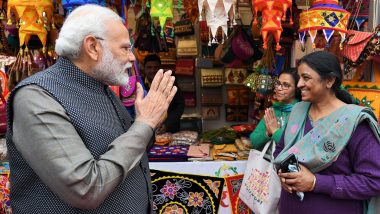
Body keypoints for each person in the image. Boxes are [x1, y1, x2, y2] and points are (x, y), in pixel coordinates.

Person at [6, 5, 177, 213]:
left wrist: (148, 123)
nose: (132, 57)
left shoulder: (101, 88)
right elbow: (86, 188)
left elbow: (123, 151)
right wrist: (144, 124)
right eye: (124, 48)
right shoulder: (36, 98)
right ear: (93, 47)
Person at [273, 51, 380, 214]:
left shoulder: (354, 122)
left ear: (329, 81)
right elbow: (281, 152)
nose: (299, 84)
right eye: (299, 77)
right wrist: (284, 174)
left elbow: (373, 181)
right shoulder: (298, 112)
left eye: (306, 78)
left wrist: (316, 182)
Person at [249, 68, 300, 151]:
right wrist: (267, 133)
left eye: (286, 85)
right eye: (278, 83)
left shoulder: (301, 111)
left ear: (297, 89)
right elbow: (253, 141)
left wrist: (275, 131)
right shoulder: (273, 110)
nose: (279, 88)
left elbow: (295, 145)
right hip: (270, 162)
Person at [143, 54, 185, 133]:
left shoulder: (170, 83)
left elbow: (179, 106)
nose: (152, 70)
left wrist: (167, 125)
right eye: (149, 67)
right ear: (144, 69)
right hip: (146, 130)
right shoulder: (139, 84)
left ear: (160, 69)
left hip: (169, 130)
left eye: (156, 68)